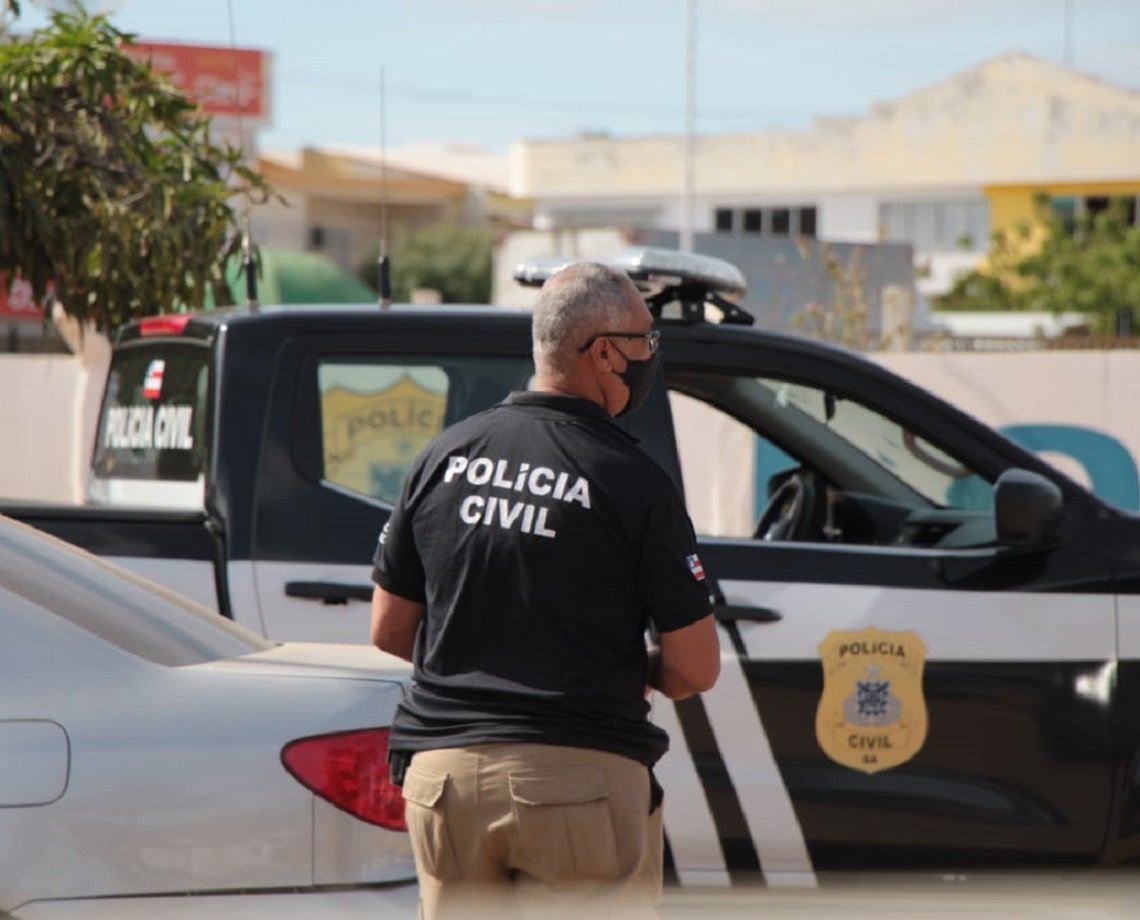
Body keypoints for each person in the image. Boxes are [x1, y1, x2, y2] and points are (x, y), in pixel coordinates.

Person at [370, 261, 720, 919]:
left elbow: (389, 629)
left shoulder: (443, 456)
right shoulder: (632, 480)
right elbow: (695, 668)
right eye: (646, 341)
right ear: (606, 353)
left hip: (442, 783)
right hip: (577, 784)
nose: (652, 356)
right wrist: (624, 668)